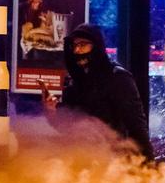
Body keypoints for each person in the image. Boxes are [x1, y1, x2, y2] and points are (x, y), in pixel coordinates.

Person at [41, 23, 154, 160]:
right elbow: (68, 128)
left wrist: (148, 168)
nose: (77, 50)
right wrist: (51, 113)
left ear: (96, 46)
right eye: (74, 46)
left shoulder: (117, 78)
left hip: (113, 162)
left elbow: (136, 126)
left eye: (82, 44)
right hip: (80, 162)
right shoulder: (75, 82)